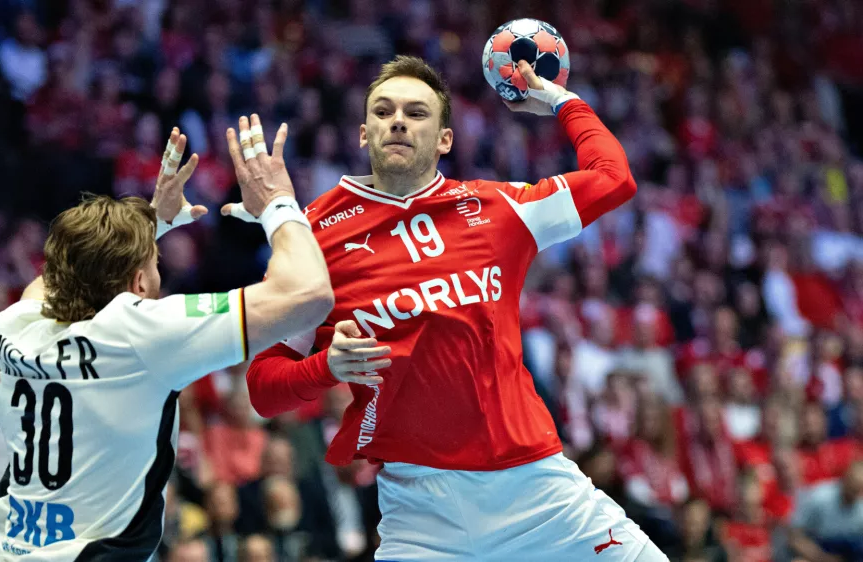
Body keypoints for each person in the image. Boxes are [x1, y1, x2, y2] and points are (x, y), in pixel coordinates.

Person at [235, 56, 668, 560]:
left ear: (445, 139)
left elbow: (614, 178)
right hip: (421, 513)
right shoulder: (312, 237)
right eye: (383, 111)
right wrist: (326, 367)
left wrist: (560, 101)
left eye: (416, 113)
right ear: (364, 133)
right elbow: (262, 389)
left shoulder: (501, 210)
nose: (398, 121)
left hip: (538, 492)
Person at [0, 120, 333, 561]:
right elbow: (309, 294)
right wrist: (278, 202)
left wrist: (147, 223)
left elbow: (61, 275)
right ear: (139, 283)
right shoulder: (139, 332)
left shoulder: (17, 322)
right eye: (155, 263)